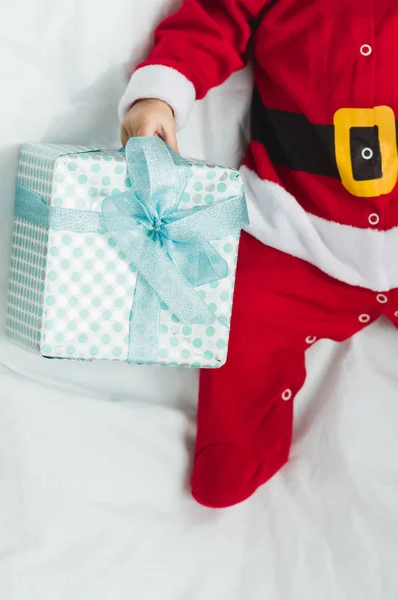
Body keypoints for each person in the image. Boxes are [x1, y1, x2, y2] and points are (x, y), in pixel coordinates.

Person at [119, 0, 398, 508]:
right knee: (241, 320)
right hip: (296, 225)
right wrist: (160, 96)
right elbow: (212, 18)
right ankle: (235, 445)